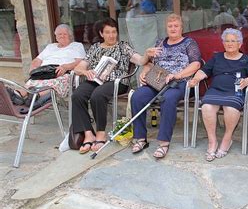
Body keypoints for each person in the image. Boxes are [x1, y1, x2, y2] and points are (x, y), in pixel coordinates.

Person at [72, 18, 155, 154]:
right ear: (101, 33)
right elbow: (79, 68)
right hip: (96, 80)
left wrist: (146, 54)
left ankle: (100, 134)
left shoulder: (123, 46)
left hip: (117, 82)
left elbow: (140, 60)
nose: (112, 35)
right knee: (77, 95)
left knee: (97, 95)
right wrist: (85, 71)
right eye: (108, 32)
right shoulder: (95, 48)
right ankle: (88, 133)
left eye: (114, 32)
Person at [130, 13, 201, 158]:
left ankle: (163, 142)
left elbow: (196, 64)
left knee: (168, 98)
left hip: (179, 82)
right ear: (166, 28)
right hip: (157, 80)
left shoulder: (189, 43)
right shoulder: (159, 43)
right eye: (170, 26)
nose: (173, 28)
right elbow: (151, 63)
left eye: (176, 26)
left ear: (182, 27)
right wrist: (145, 70)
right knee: (137, 96)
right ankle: (140, 138)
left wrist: (177, 75)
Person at [188, 28, 248, 161]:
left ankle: (227, 139)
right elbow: (204, 71)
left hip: (235, 90)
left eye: (233, 41)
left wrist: (247, 80)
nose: (229, 43)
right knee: (207, 107)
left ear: (240, 44)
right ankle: (212, 142)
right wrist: (196, 78)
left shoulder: (246, 59)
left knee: (230, 109)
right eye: (227, 41)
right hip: (216, 89)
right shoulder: (217, 57)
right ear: (223, 43)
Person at [9, 24, 86, 109]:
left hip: (62, 73)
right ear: (56, 36)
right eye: (59, 34)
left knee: (53, 83)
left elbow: (80, 61)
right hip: (44, 72)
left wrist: (66, 67)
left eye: (65, 34)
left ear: (70, 36)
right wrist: (33, 69)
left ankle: (36, 96)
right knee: (33, 80)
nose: (62, 36)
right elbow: (37, 60)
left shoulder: (76, 46)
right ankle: (17, 94)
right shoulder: (51, 47)